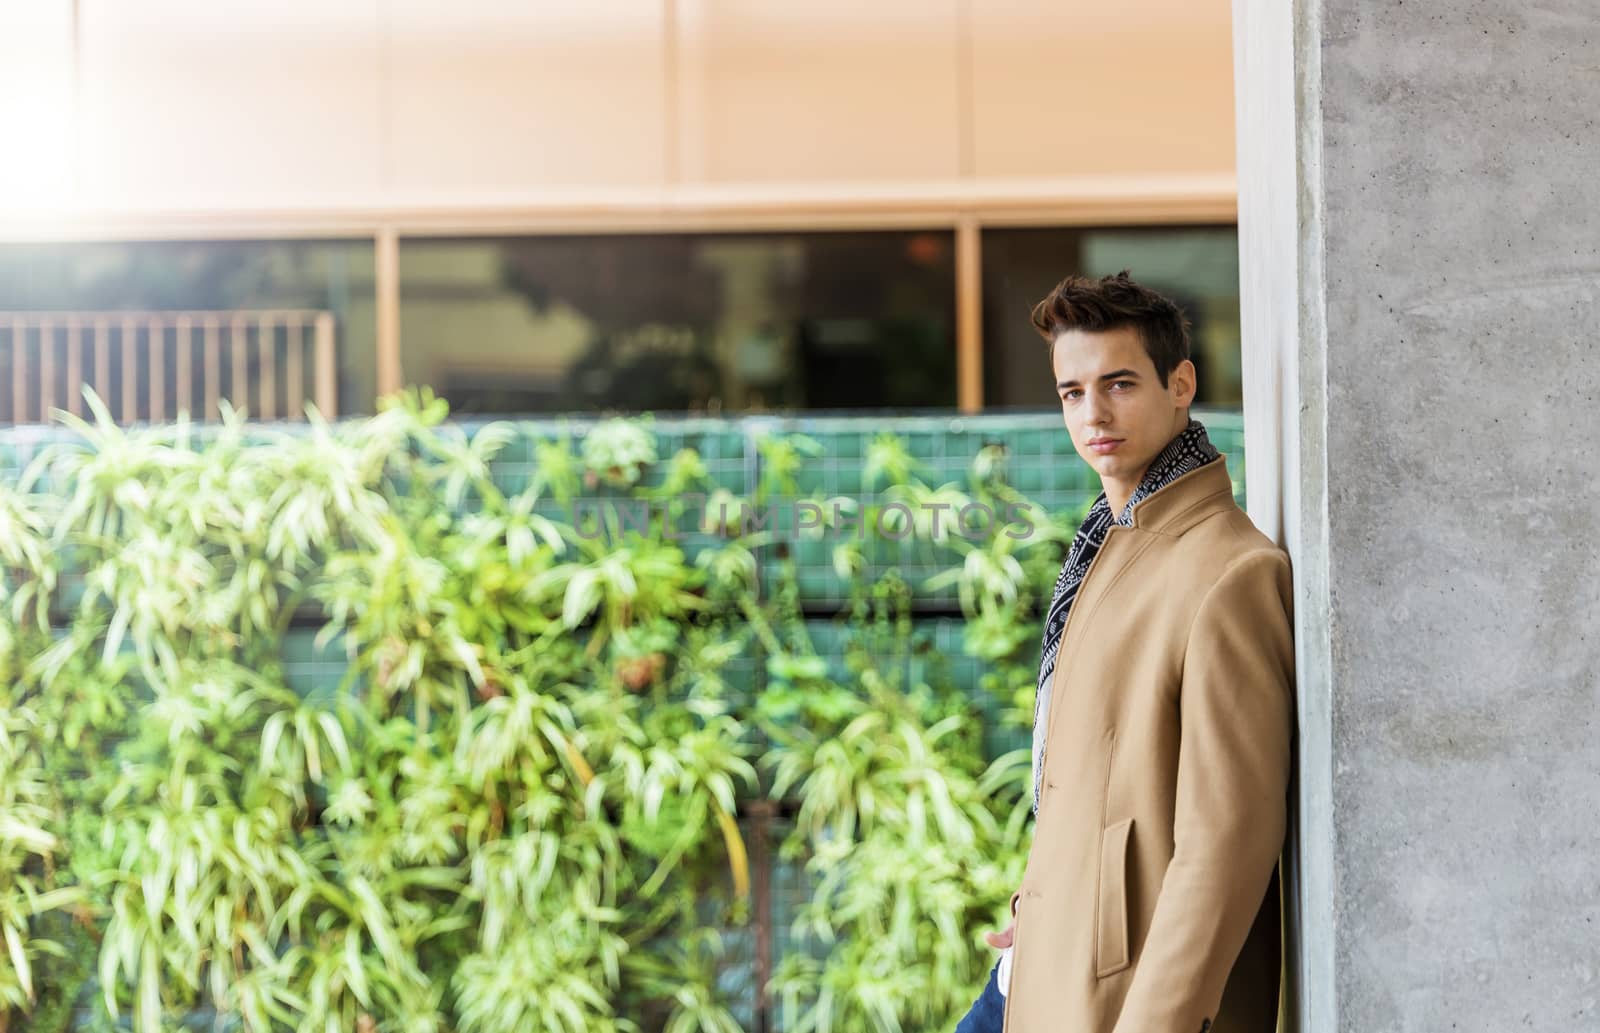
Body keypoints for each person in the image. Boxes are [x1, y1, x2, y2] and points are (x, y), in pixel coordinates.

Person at [955, 271, 1295, 1033]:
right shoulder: (1105, 546)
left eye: (1118, 383)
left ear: (1181, 384)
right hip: (1040, 967)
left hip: (1118, 1002)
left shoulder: (1228, 572)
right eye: (1071, 392)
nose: (1093, 413)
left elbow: (1226, 842)